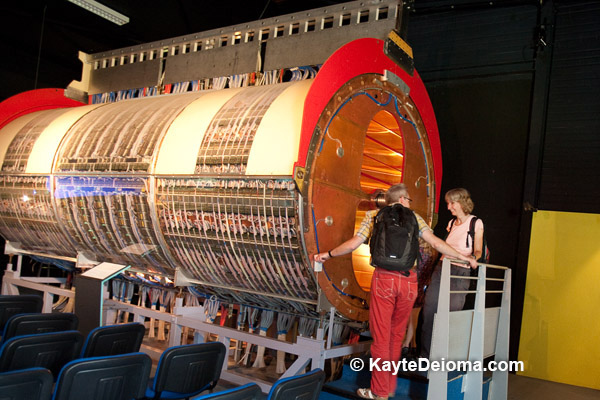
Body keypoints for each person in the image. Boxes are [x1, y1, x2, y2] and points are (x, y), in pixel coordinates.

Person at [314, 184, 477, 400]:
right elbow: (436, 243)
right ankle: (388, 387)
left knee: (381, 337)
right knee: (396, 336)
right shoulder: (415, 218)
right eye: (408, 199)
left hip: (384, 280)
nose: (410, 203)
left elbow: (354, 243)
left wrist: (328, 254)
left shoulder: (374, 216)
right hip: (409, 282)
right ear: (401, 199)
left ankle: (379, 392)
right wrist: (464, 257)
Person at [419, 188, 483, 360]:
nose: (449, 207)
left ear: (461, 202)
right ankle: (426, 357)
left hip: (460, 271)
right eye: (448, 203)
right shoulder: (451, 223)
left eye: (451, 203)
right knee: (429, 311)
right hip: (442, 268)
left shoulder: (475, 223)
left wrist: (472, 258)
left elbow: (478, 250)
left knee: (451, 316)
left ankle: (445, 358)